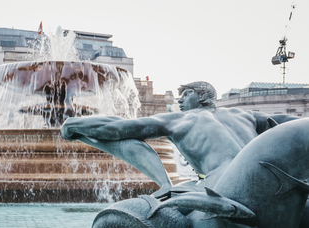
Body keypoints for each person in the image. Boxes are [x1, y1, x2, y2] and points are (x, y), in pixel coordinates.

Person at [61, 81, 297, 194]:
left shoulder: (179, 120)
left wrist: (72, 124)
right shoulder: (245, 114)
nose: (180, 100)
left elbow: (118, 129)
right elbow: (286, 124)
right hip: (270, 182)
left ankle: (165, 186)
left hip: (223, 186)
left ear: (202, 96)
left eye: (186, 94)